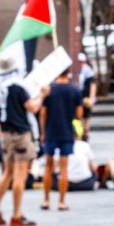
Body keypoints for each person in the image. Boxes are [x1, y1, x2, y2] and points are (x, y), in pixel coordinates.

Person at [0, 56, 48, 226]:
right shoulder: (17, 88)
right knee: (19, 176)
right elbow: (33, 107)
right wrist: (42, 95)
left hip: (5, 134)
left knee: (7, 172)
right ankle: (16, 214)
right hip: (21, 134)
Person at [40, 68, 83, 211]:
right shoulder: (74, 90)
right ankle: (62, 201)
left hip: (51, 131)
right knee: (64, 168)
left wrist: (42, 132)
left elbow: (43, 113)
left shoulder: (49, 89)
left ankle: (46, 200)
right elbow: (79, 113)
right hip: (66, 131)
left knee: (48, 166)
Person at [54, 122, 98, 192]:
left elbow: (54, 167)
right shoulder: (85, 145)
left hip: (65, 183)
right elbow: (94, 167)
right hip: (86, 183)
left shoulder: (59, 146)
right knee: (95, 173)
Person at [78, 53, 97, 138]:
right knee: (79, 115)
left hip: (86, 97)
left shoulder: (88, 71)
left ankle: (86, 133)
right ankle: (80, 132)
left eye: (81, 62)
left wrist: (92, 98)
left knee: (86, 116)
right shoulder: (76, 70)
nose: (80, 63)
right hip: (78, 96)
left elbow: (93, 85)